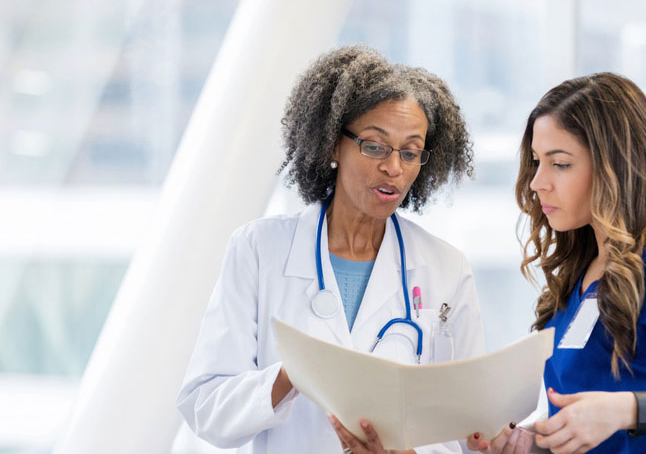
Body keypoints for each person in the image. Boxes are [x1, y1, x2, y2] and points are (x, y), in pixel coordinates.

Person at [177, 45, 486, 454]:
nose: (393, 167)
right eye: (374, 146)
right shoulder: (258, 250)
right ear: (331, 145)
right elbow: (205, 406)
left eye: (410, 152)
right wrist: (290, 376)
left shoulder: (446, 268)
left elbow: (469, 428)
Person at [467, 72, 646, 453]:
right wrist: (535, 442)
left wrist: (626, 410)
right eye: (538, 161)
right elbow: (598, 420)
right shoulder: (583, 273)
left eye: (561, 164)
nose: (537, 182)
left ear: (614, 166)